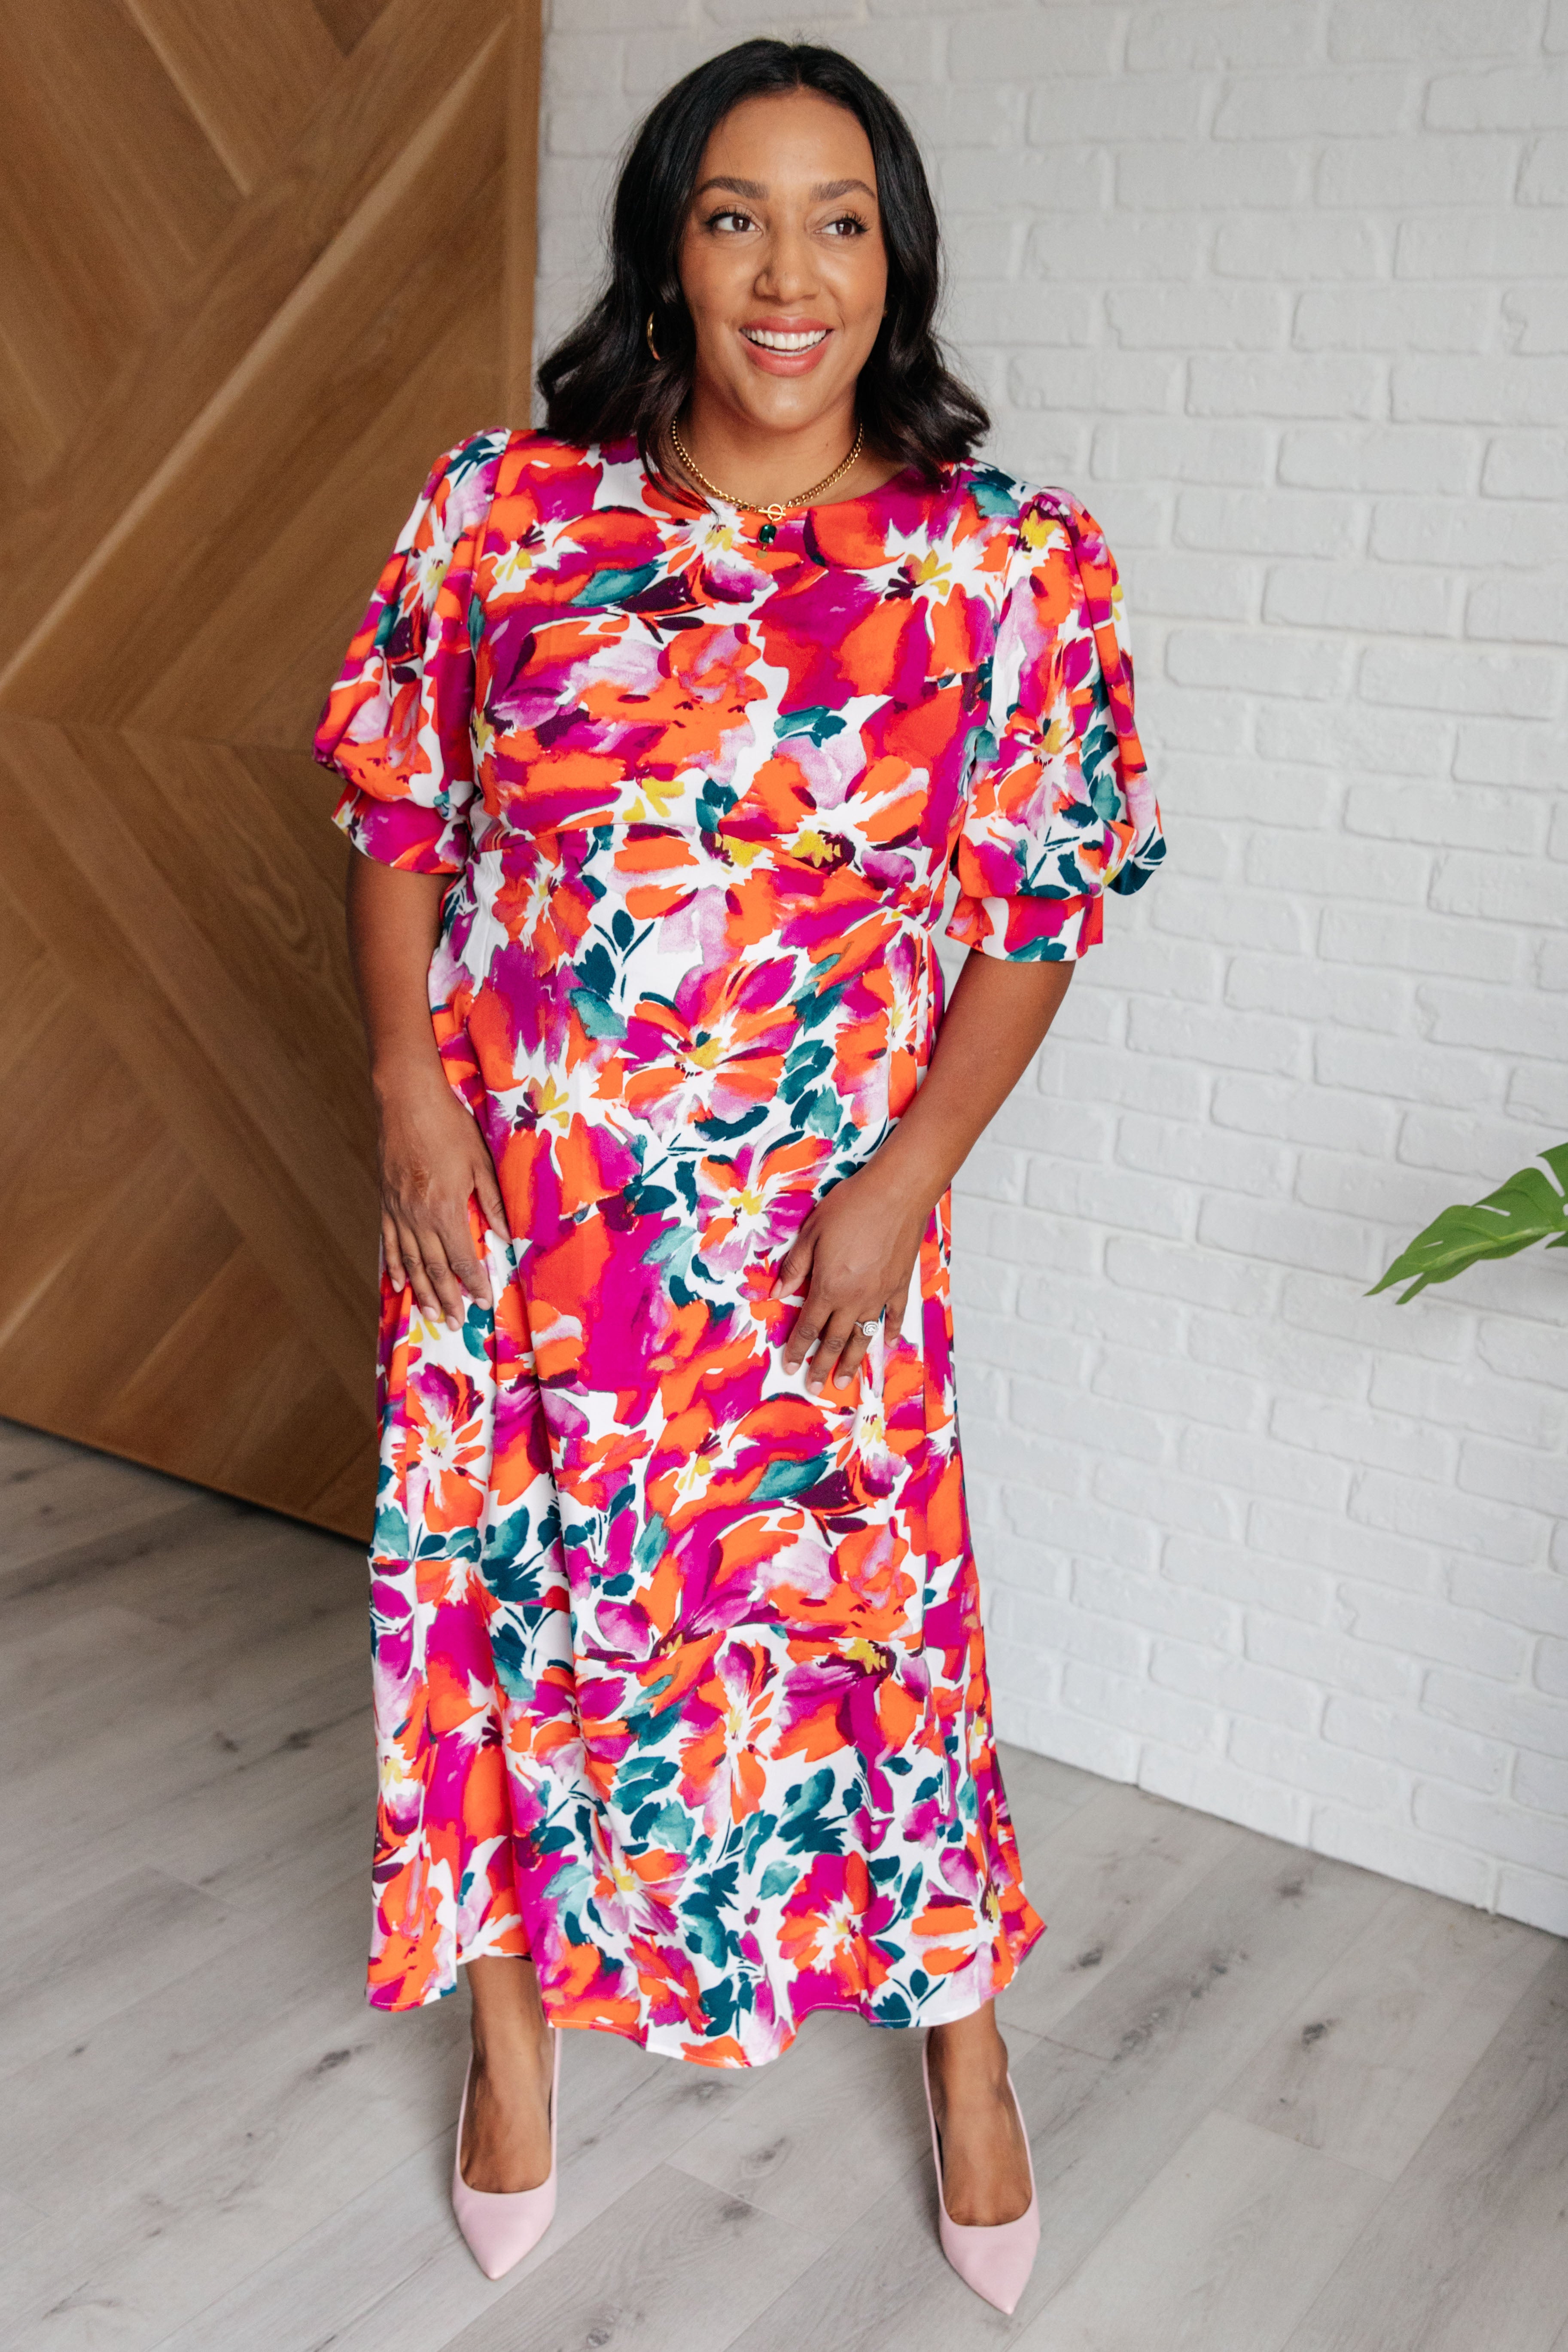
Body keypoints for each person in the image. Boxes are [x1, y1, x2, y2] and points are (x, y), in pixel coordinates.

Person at [314, 34, 1161, 2316]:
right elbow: (398, 804)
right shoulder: (503, 509)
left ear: (896, 259)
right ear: (666, 254)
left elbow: (1040, 911)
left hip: (814, 1237)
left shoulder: (1007, 565)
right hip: (510, 1215)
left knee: (873, 1634)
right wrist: (404, 1085)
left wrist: (906, 1179)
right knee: (498, 1614)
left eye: (836, 222)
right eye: (734, 218)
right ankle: (512, 2046)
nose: (788, 276)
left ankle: (967, 2057)